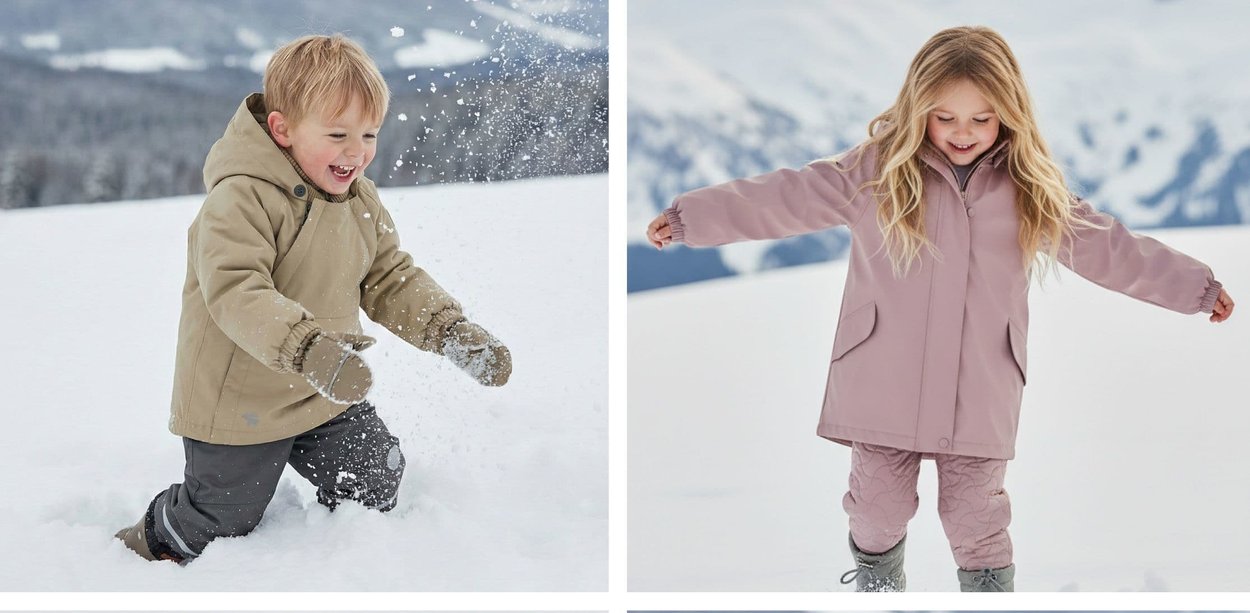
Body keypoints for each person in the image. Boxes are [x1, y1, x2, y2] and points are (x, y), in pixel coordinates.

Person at [645, 26, 1234, 592]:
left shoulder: (1029, 190)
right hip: (882, 374)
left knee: (976, 521)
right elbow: (785, 197)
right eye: (945, 116)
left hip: (980, 382)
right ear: (917, 107)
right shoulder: (875, 172)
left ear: (1008, 112)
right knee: (877, 510)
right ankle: (879, 584)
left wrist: (1196, 289)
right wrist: (691, 219)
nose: (963, 131)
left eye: (981, 118)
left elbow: (1108, 246)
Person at [115, 34, 512, 563]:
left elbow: (389, 277)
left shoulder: (358, 200)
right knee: (222, 520)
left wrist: (449, 330)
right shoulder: (242, 198)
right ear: (282, 130)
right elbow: (236, 290)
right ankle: (143, 542)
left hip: (321, 388)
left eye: (369, 133)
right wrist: (309, 350)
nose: (357, 151)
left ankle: (331, 556)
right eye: (338, 134)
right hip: (241, 398)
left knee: (376, 475)